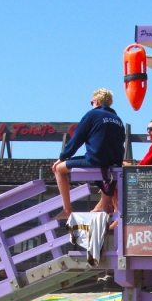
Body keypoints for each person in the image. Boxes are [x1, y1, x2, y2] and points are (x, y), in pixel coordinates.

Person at [52, 89, 125, 219]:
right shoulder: (118, 120)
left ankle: (67, 209)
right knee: (107, 179)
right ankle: (105, 208)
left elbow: (77, 138)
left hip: (95, 160)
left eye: (91, 102)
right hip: (114, 163)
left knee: (58, 169)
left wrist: (63, 157)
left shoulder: (92, 115)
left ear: (96, 101)